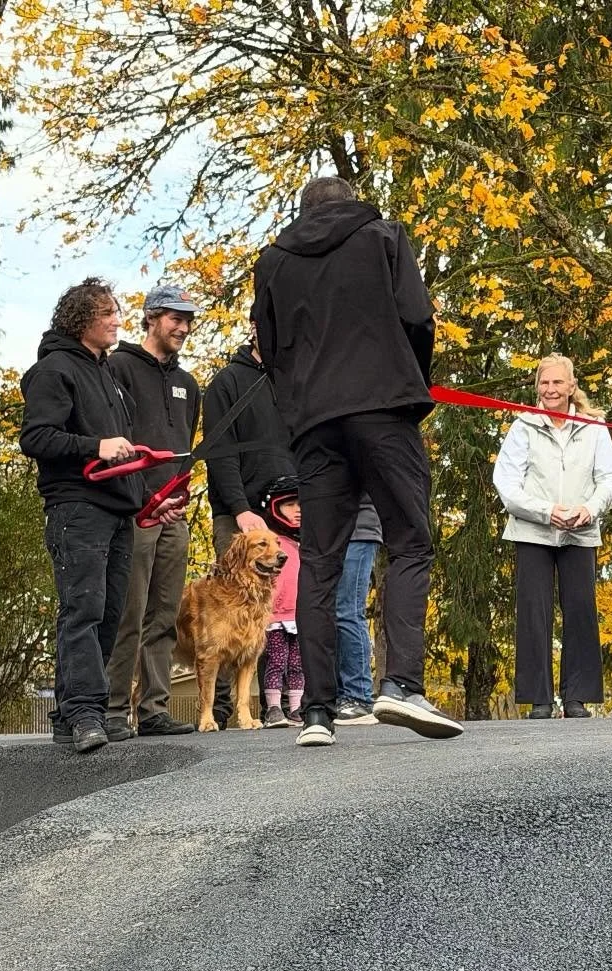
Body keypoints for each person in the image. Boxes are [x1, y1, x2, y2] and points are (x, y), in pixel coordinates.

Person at [250, 174, 463, 747]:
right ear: (351, 203)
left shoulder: (274, 260)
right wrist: (410, 380)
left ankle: (316, 713)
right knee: (410, 541)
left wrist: (297, 403)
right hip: (383, 406)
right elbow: (417, 320)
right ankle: (401, 684)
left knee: (320, 559)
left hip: (316, 423)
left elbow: (268, 346)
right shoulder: (385, 237)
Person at [20, 278, 185, 754]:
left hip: (118, 509)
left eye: (117, 311)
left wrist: (150, 504)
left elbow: (126, 455)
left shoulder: (107, 373)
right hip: (76, 507)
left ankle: (73, 713)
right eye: (109, 312)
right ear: (82, 320)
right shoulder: (54, 370)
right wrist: (95, 446)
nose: (118, 319)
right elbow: (37, 438)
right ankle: (85, 714)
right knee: (84, 609)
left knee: (112, 613)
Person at [492, 354, 612, 719]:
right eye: (544, 383)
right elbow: (506, 483)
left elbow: (610, 479)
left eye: (557, 383)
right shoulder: (523, 426)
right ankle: (539, 699)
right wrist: (547, 511)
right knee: (534, 613)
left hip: (580, 531)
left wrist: (589, 509)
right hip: (533, 531)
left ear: (571, 386)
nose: (551, 389)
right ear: (538, 388)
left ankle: (577, 697)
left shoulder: (593, 427)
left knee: (580, 610)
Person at [102, 284, 201, 738]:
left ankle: (155, 709)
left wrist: (174, 501)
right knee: (128, 610)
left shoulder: (188, 384)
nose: (182, 327)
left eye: (187, 320)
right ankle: (112, 708)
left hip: (175, 515)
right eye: (174, 318)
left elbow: (182, 449)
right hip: (134, 513)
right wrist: (144, 500)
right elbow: (116, 443)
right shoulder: (117, 367)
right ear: (151, 318)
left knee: (164, 616)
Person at [201, 324, 296, 729]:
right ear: (256, 328)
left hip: (290, 516)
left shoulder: (294, 380)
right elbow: (218, 452)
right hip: (241, 518)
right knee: (224, 616)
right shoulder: (227, 382)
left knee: (271, 618)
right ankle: (216, 711)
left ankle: (268, 707)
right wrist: (239, 508)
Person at [258, 477, 305, 727]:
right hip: (275, 618)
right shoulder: (271, 544)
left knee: (298, 664)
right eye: (289, 505)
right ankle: (274, 708)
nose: (297, 511)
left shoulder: (303, 544)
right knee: (275, 662)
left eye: (301, 505)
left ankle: (297, 708)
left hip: (298, 617)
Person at [334, 500, 384, 725]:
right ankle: (343, 694)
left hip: (358, 529)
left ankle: (359, 696)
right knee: (336, 614)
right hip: (333, 531)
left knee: (349, 611)